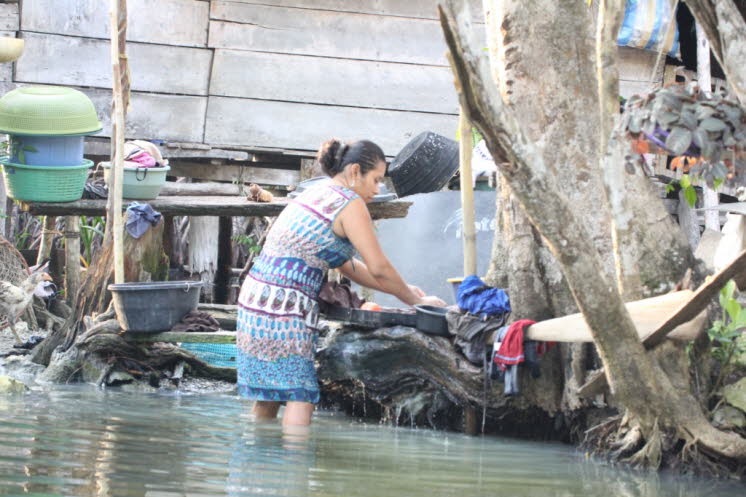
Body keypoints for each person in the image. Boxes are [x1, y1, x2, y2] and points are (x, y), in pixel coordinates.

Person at [236, 138, 446, 427]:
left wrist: (408, 291)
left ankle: (258, 467)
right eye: (375, 180)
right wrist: (419, 303)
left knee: (269, 394)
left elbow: (351, 268)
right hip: (284, 307)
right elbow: (379, 268)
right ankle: (294, 466)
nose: (377, 189)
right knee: (301, 394)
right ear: (355, 171)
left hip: (256, 298)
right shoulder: (349, 203)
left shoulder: (317, 192)